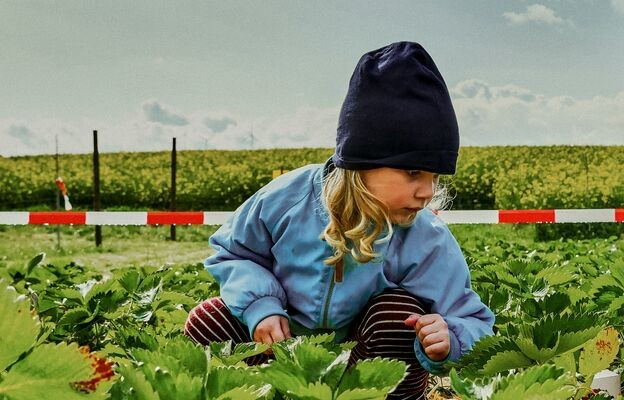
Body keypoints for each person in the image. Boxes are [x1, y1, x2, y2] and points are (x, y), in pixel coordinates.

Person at [182, 41, 494, 400]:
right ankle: (265, 392)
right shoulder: (287, 198)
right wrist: (261, 308)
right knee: (209, 320)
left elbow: (471, 318)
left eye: (435, 177)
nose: (426, 192)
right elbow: (233, 253)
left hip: (364, 358)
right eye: (413, 172)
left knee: (400, 319)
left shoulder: (426, 237)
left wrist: (449, 338)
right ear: (363, 160)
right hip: (282, 344)